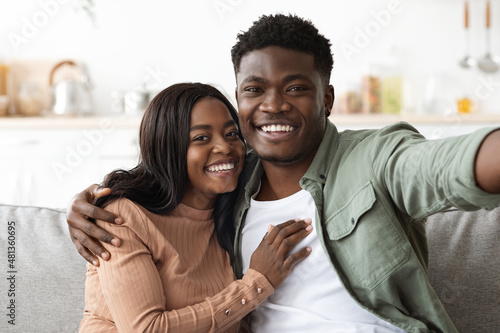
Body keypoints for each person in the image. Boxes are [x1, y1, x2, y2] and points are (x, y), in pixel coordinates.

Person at [67, 14, 500, 333]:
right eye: (254, 90)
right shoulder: (231, 186)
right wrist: (89, 203)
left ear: (326, 99)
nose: (273, 105)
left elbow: (444, 166)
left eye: (295, 88)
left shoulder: (372, 157)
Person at [77, 82, 313, 332]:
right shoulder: (122, 217)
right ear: (168, 147)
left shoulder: (231, 212)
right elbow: (146, 329)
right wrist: (255, 284)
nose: (225, 147)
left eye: (232, 134)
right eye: (201, 138)